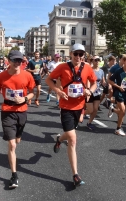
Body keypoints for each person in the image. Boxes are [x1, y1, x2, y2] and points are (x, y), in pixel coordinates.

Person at [45, 43, 97, 187]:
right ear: (71, 54)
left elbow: (94, 83)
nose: (79, 57)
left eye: (81, 54)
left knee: (68, 135)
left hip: (79, 107)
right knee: (73, 139)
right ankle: (75, 175)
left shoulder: (87, 67)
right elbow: (48, 79)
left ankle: (59, 140)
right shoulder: (62, 67)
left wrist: (90, 91)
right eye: (76, 54)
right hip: (66, 107)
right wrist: (57, 90)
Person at [0, 50, 35, 188]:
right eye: (15, 60)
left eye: (20, 60)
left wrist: (25, 98)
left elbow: (32, 93)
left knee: (17, 140)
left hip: (22, 112)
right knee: (12, 145)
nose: (17, 63)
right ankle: (14, 175)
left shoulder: (27, 76)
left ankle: (13, 148)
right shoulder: (2, 76)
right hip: (7, 111)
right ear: (9, 61)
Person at [108, 55, 126, 136]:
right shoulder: (118, 71)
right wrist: (118, 87)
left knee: (123, 113)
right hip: (118, 92)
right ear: (124, 62)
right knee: (123, 110)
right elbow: (110, 80)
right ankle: (118, 129)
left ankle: (113, 110)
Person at [86, 55, 105, 131]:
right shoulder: (89, 70)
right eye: (95, 60)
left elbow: (103, 81)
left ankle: (89, 123)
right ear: (92, 61)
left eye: (98, 60)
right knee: (90, 110)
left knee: (95, 109)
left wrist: (107, 86)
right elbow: (87, 80)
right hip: (89, 92)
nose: (97, 61)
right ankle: (79, 114)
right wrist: (88, 90)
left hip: (97, 92)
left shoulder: (101, 71)